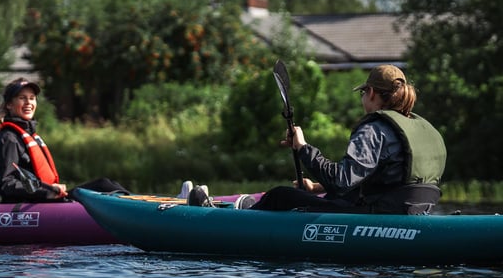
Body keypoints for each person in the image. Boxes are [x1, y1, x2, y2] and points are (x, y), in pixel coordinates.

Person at [190, 64, 447, 215]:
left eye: (363, 93)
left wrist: (302, 148)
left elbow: (342, 180)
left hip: (375, 218)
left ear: (370, 93)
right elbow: (381, 180)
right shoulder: (421, 127)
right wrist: (317, 188)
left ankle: (222, 217)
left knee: (282, 195)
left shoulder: (375, 129)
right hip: (411, 215)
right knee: (318, 197)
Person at [0, 77, 129, 203]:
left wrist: (48, 191)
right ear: (9, 104)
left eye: (32, 98)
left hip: (43, 200)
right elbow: (6, 184)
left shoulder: (28, 136)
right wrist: (46, 191)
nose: (28, 102)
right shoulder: (7, 139)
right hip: (29, 204)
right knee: (103, 185)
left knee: (105, 185)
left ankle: (142, 206)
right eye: (22, 98)